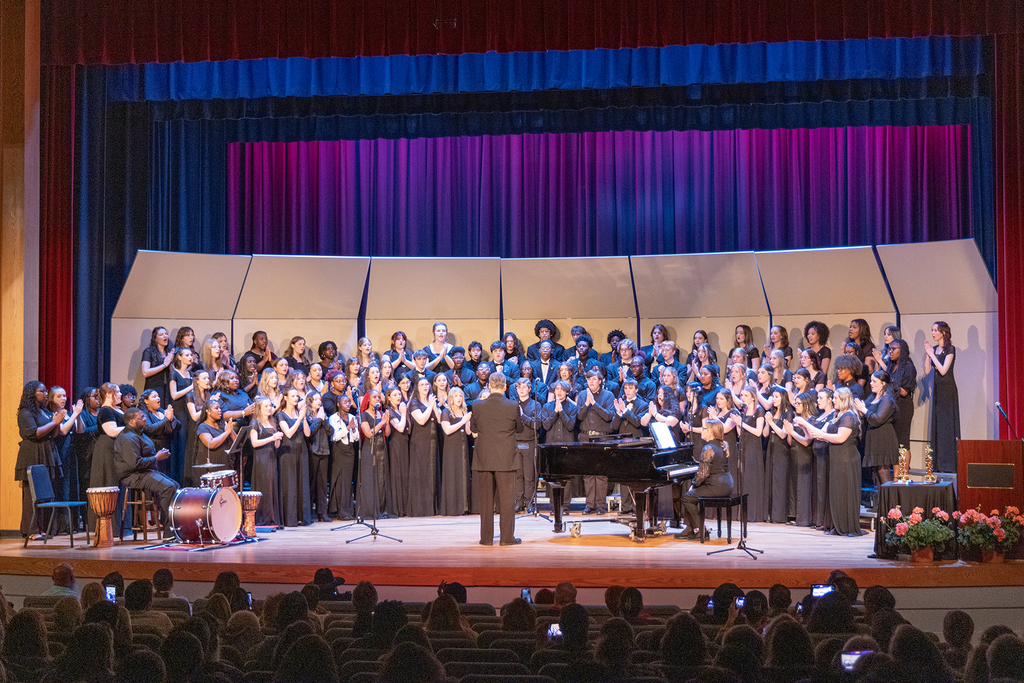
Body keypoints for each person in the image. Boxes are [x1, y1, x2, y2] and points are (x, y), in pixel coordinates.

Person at [796, 386, 862, 536]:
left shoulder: (849, 416)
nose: (833, 400)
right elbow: (818, 434)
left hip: (846, 459)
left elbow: (840, 438)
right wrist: (804, 425)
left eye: (836, 398)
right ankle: (837, 526)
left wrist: (817, 432)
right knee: (836, 493)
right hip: (837, 459)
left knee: (845, 492)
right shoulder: (838, 415)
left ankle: (846, 527)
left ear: (844, 400)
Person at [471, 372, 523, 545]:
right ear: (505, 386)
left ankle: (486, 539)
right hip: (506, 458)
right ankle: (507, 539)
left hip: (484, 457)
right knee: (507, 501)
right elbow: (520, 428)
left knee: (485, 502)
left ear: (489, 386)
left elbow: (474, 428)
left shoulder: (477, 405)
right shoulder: (512, 405)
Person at [114, 407, 176, 540]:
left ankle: (173, 526)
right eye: (141, 417)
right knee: (168, 488)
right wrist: (156, 458)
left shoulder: (139, 433)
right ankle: (168, 532)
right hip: (133, 475)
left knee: (175, 485)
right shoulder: (128, 438)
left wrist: (158, 454)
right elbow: (134, 464)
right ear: (131, 421)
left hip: (144, 471)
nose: (145, 418)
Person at [674, 418, 734, 540]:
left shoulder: (708, 448)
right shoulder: (721, 445)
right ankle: (689, 528)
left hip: (716, 486)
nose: (702, 430)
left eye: (704, 428)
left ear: (711, 432)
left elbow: (702, 474)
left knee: (687, 497)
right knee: (691, 495)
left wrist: (694, 484)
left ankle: (700, 530)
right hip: (727, 484)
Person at [924, 321, 960, 472]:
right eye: (932, 330)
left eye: (935, 330)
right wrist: (928, 354)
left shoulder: (950, 349)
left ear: (943, 332)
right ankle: (938, 464)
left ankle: (949, 465)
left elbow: (944, 370)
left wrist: (932, 355)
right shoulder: (933, 350)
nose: (932, 333)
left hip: (948, 391)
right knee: (938, 426)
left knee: (947, 427)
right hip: (938, 391)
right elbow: (927, 371)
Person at [578, 369, 615, 515]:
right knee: (588, 473)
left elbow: (608, 416)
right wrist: (587, 404)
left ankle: (600, 505)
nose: (591, 382)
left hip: (602, 437)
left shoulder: (608, 395)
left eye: (593, 379)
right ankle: (589, 505)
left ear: (600, 381)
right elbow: (579, 417)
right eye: (588, 379)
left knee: (600, 473)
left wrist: (594, 404)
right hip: (586, 437)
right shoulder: (582, 395)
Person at [89, 383, 126, 532]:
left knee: (116, 485)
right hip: (107, 450)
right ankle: (107, 527)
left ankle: (118, 526)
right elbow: (111, 431)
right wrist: (132, 426)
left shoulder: (116, 410)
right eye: (118, 392)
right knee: (108, 483)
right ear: (109, 394)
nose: (121, 395)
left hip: (117, 449)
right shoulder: (105, 411)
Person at [277, 387, 313, 526]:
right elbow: (289, 433)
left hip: (301, 450)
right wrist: (299, 418)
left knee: (301, 483)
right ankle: (290, 517)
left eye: (297, 396)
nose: (296, 398)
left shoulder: (299, 413)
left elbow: (308, 433)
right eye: (292, 396)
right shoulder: (281, 415)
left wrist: (303, 418)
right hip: (288, 452)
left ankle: (301, 516)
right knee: (290, 483)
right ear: (286, 398)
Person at [857, 370, 899, 484]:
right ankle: (881, 502)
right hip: (873, 439)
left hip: (883, 439)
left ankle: (890, 502)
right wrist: (862, 412)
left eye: (874, 381)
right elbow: (865, 414)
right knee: (876, 475)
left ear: (883, 383)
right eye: (871, 381)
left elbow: (878, 419)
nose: (871, 383)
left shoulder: (887, 399)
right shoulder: (872, 397)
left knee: (883, 474)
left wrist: (864, 410)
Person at [249, 397, 282, 528]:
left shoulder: (272, 422)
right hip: (261, 459)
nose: (269, 408)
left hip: (271, 457)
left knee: (272, 486)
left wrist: (277, 439)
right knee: (263, 485)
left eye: (270, 406)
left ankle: (272, 518)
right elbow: (254, 443)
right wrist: (271, 438)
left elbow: (276, 445)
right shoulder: (255, 423)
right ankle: (262, 518)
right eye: (266, 406)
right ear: (259, 408)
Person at [408, 378, 439, 516]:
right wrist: (431, 406)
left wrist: (434, 406)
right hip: (420, 442)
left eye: (427, 384)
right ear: (417, 388)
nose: (425, 386)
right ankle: (421, 508)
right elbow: (421, 420)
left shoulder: (431, 401)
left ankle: (432, 508)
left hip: (432, 441)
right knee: (421, 473)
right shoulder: (414, 403)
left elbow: (439, 419)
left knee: (431, 473)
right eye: (421, 384)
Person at [736, 384, 767, 523]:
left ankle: (754, 514)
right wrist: (738, 423)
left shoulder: (759, 410)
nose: (742, 398)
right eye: (741, 395)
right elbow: (739, 433)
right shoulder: (743, 411)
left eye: (745, 395)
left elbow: (758, 432)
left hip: (754, 447)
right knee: (745, 478)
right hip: (744, 445)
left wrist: (741, 423)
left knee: (753, 479)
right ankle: (744, 514)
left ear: (753, 397)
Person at [439, 387, 472, 516]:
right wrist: (462, 421)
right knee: (453, 475)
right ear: (451, 398)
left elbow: (468, 432)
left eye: (461, 396)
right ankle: (453, 508)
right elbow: (447, 430)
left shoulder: (464, 411)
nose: (459, 398)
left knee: (463, 474)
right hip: (451, 448)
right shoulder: (446, 412)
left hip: (463, 446)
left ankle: (463, 506)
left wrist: (467, 420)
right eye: (456, 396)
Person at [514, 377, 544, 513]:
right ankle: (519, 502)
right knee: (518, 475)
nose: (521, 389)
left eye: (524, 387)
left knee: (529, 475)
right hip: (515, 443)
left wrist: (522, 416)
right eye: (519, 387)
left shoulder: (535, 404)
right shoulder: (512, 404)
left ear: (530, 389)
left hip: (529, 443)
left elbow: (537, 424)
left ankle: (530, 502)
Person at [359, 389, 390, 517]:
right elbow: (368, 433)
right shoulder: (364, 415)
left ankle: (382, 509)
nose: (377, 399)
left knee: (381, 479)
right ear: (368, 400)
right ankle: (371, 510)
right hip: (369, 450)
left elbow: (387, 433)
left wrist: (386, 422)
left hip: (382, 449)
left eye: (378, 397)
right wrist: (382, 422)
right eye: (374, 397)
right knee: (371, 479)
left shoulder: (381, 414)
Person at [328, 393, 360, 520]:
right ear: (338, 404)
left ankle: (347, 511)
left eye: (349, 402)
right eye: (345, 402)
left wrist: (353, 430)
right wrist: (348, 427)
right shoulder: (333, 418)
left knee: (347, 481)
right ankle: (340, 511)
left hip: (350, 450)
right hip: (339, 449)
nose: (348, 404)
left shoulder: (352, 417)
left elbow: (356, 437)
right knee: (339, 479)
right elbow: (334, 436)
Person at [885, 339, 917, 450]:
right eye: (889, 349)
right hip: (891, 406)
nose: (891, 351)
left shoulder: (909, 367)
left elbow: (904, 392)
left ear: (902, 350)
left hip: (903, 407)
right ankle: (895, 468)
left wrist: (890, 380)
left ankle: (905, 468)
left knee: (902, 441)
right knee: (893, 441)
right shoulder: (891, 366)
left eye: (894, 349)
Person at [384, 388, 410, 518]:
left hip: (405, 445)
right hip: (395, 445)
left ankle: (405, 507)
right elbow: (399, 428)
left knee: (405, 475)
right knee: (398, 475)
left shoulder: (399, 410)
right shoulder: (389, 412)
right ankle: (397, 508)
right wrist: (404, 413)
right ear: (388, 397)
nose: (398, 397)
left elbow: (408, 429)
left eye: (399, 394)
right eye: (395, 395)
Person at [140, 326, 173, 408]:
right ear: (155, 338)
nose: (165, 336)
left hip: (168, 388)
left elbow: (172, 371)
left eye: (166, 334)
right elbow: (145, 372)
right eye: (161, 335)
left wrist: (171, 362)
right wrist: (164, 365)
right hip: (154, 387)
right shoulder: (148, 352)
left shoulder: (169, 352)